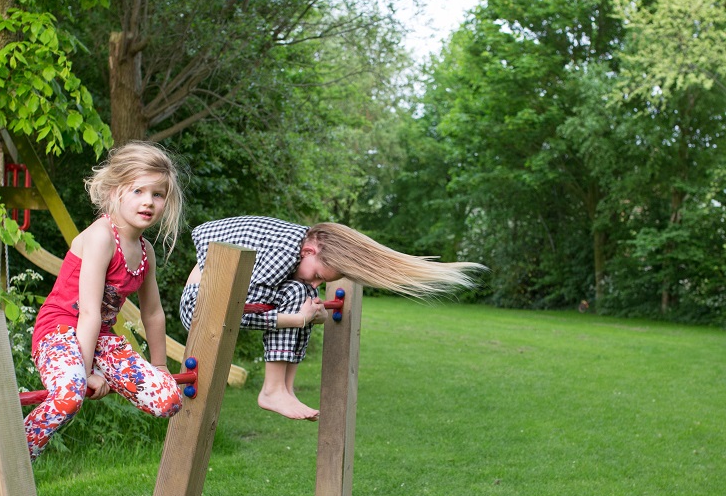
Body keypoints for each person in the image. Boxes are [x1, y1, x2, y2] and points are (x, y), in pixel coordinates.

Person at [179, 216, 484, 422]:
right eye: (318, 276)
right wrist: (297, 319)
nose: (317, 284)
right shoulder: (281, 256)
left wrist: (305, 315)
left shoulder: (301, 246)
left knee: (301, 294)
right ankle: (273, 391)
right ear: (309, 251)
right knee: (300, 295)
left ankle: (284, 390)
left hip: (218, 298)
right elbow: (232, 309)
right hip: (200, 306)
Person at [25, 142, 185, 459]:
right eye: (138, 191)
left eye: (158, 194)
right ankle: (17, 450)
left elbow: (152, 314)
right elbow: (87, 312)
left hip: (100, 339)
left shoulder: (146, 252)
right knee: (70, 395)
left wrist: (160, 366)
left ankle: (108, 372)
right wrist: (86, 375)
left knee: (169, 398)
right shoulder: (101, 237)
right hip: (60, 332)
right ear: (115, 192)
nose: (148, 202)